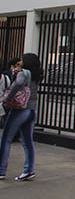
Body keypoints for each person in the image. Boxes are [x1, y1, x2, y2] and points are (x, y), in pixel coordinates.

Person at [0, 53, 41, 181]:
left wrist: (8, 98)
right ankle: (29, 170)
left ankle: (1, 170)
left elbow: (18, 84)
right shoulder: (37, 74)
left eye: (22, 60)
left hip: (20, 110)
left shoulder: (24, 73)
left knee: (6, 139)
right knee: (28, 142)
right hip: (32, 110)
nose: (21, 62)